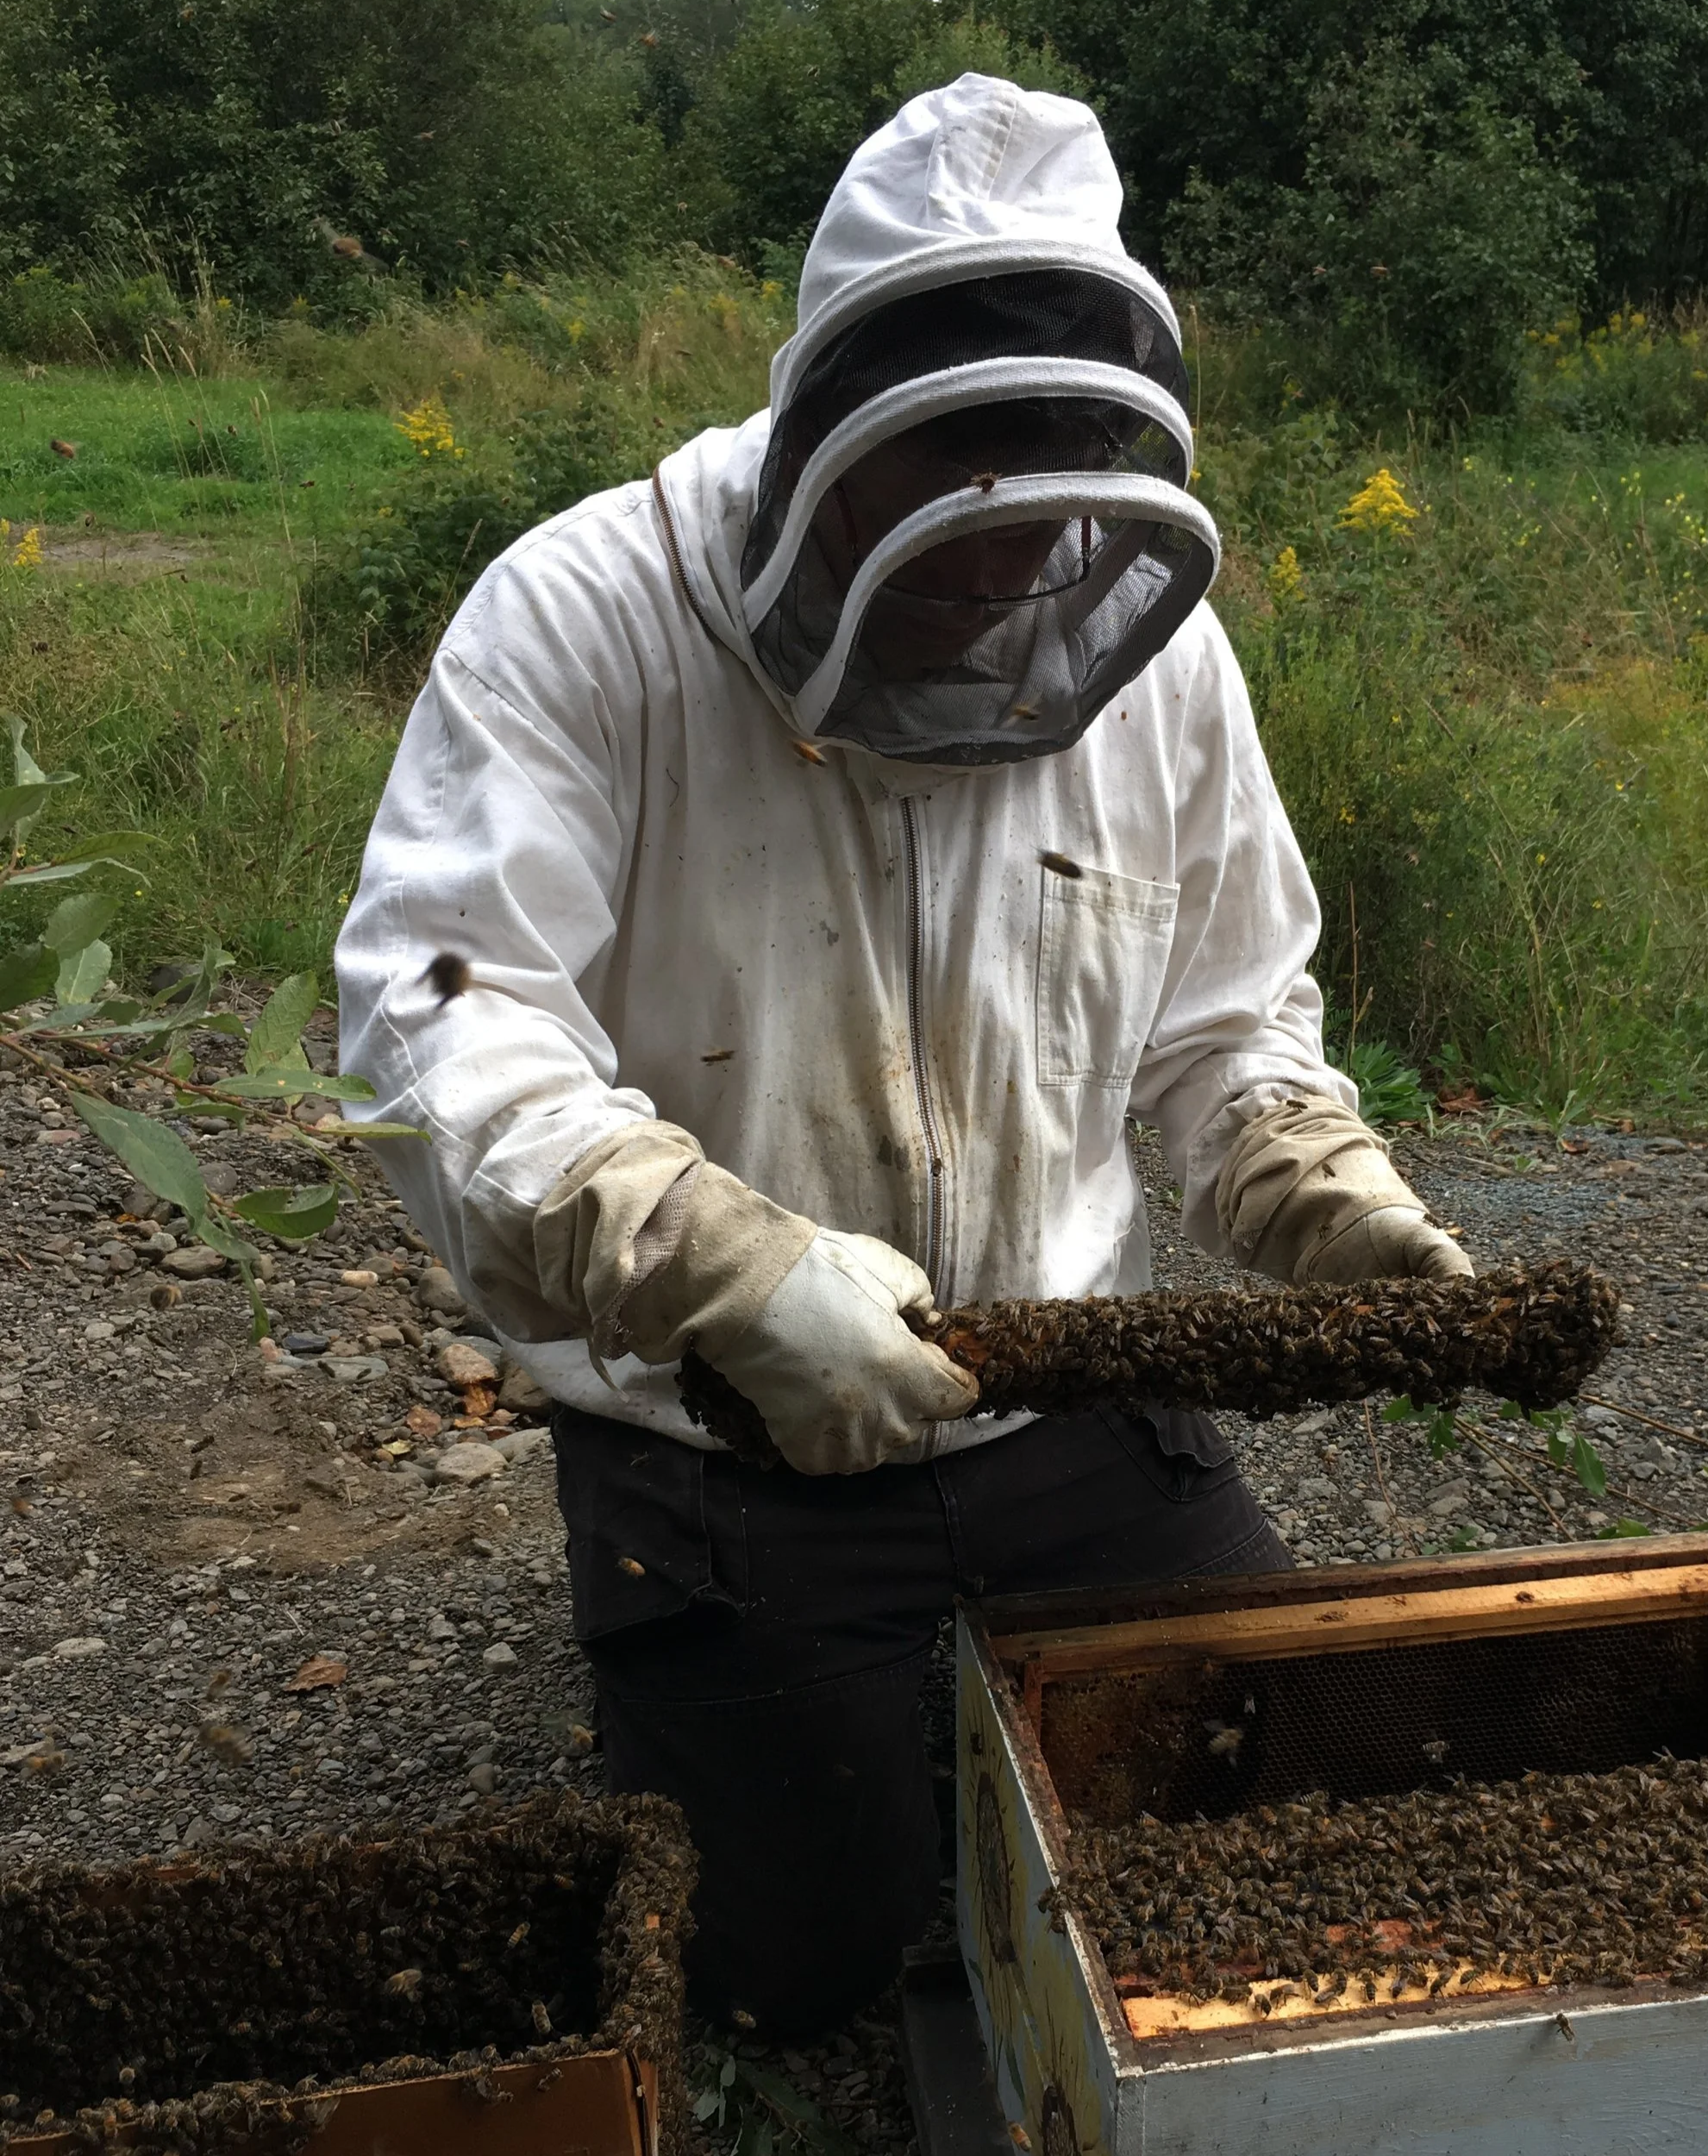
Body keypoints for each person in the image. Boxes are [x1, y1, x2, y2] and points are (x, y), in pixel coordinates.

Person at [335, 72, 1473, 2035]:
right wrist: (720, 1260)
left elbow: (1218, 1015)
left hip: (1066, 1408)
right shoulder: (583, 612)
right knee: (803, 1975)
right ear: (824, 452)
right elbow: (447, 1014)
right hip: (720, 1442)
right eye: (944, 533)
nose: (993, 592)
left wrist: (1304, 1172)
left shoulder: (1146, 646)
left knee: (1278, 1831)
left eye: (1034, 536)